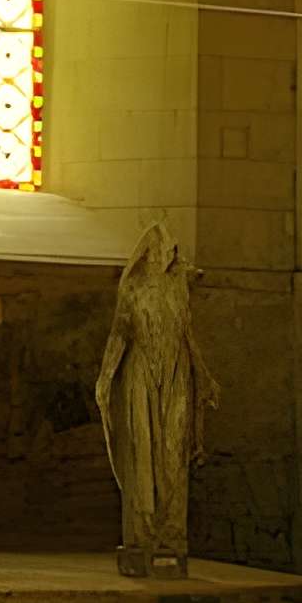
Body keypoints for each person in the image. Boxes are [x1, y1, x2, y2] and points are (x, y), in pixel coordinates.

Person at [95, 223, 214, 577]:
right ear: (151, 252)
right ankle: (142, 536)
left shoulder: (178, 288)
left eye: (175, 250)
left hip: (176, 374)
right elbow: (119, 335)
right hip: (141, 376)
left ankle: (172, 536)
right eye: (168, 249)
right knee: (144, 451)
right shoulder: (133, 289)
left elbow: (187, 334)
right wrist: (105, 377)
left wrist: (203, 376)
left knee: (174, 451)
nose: (174, 256)